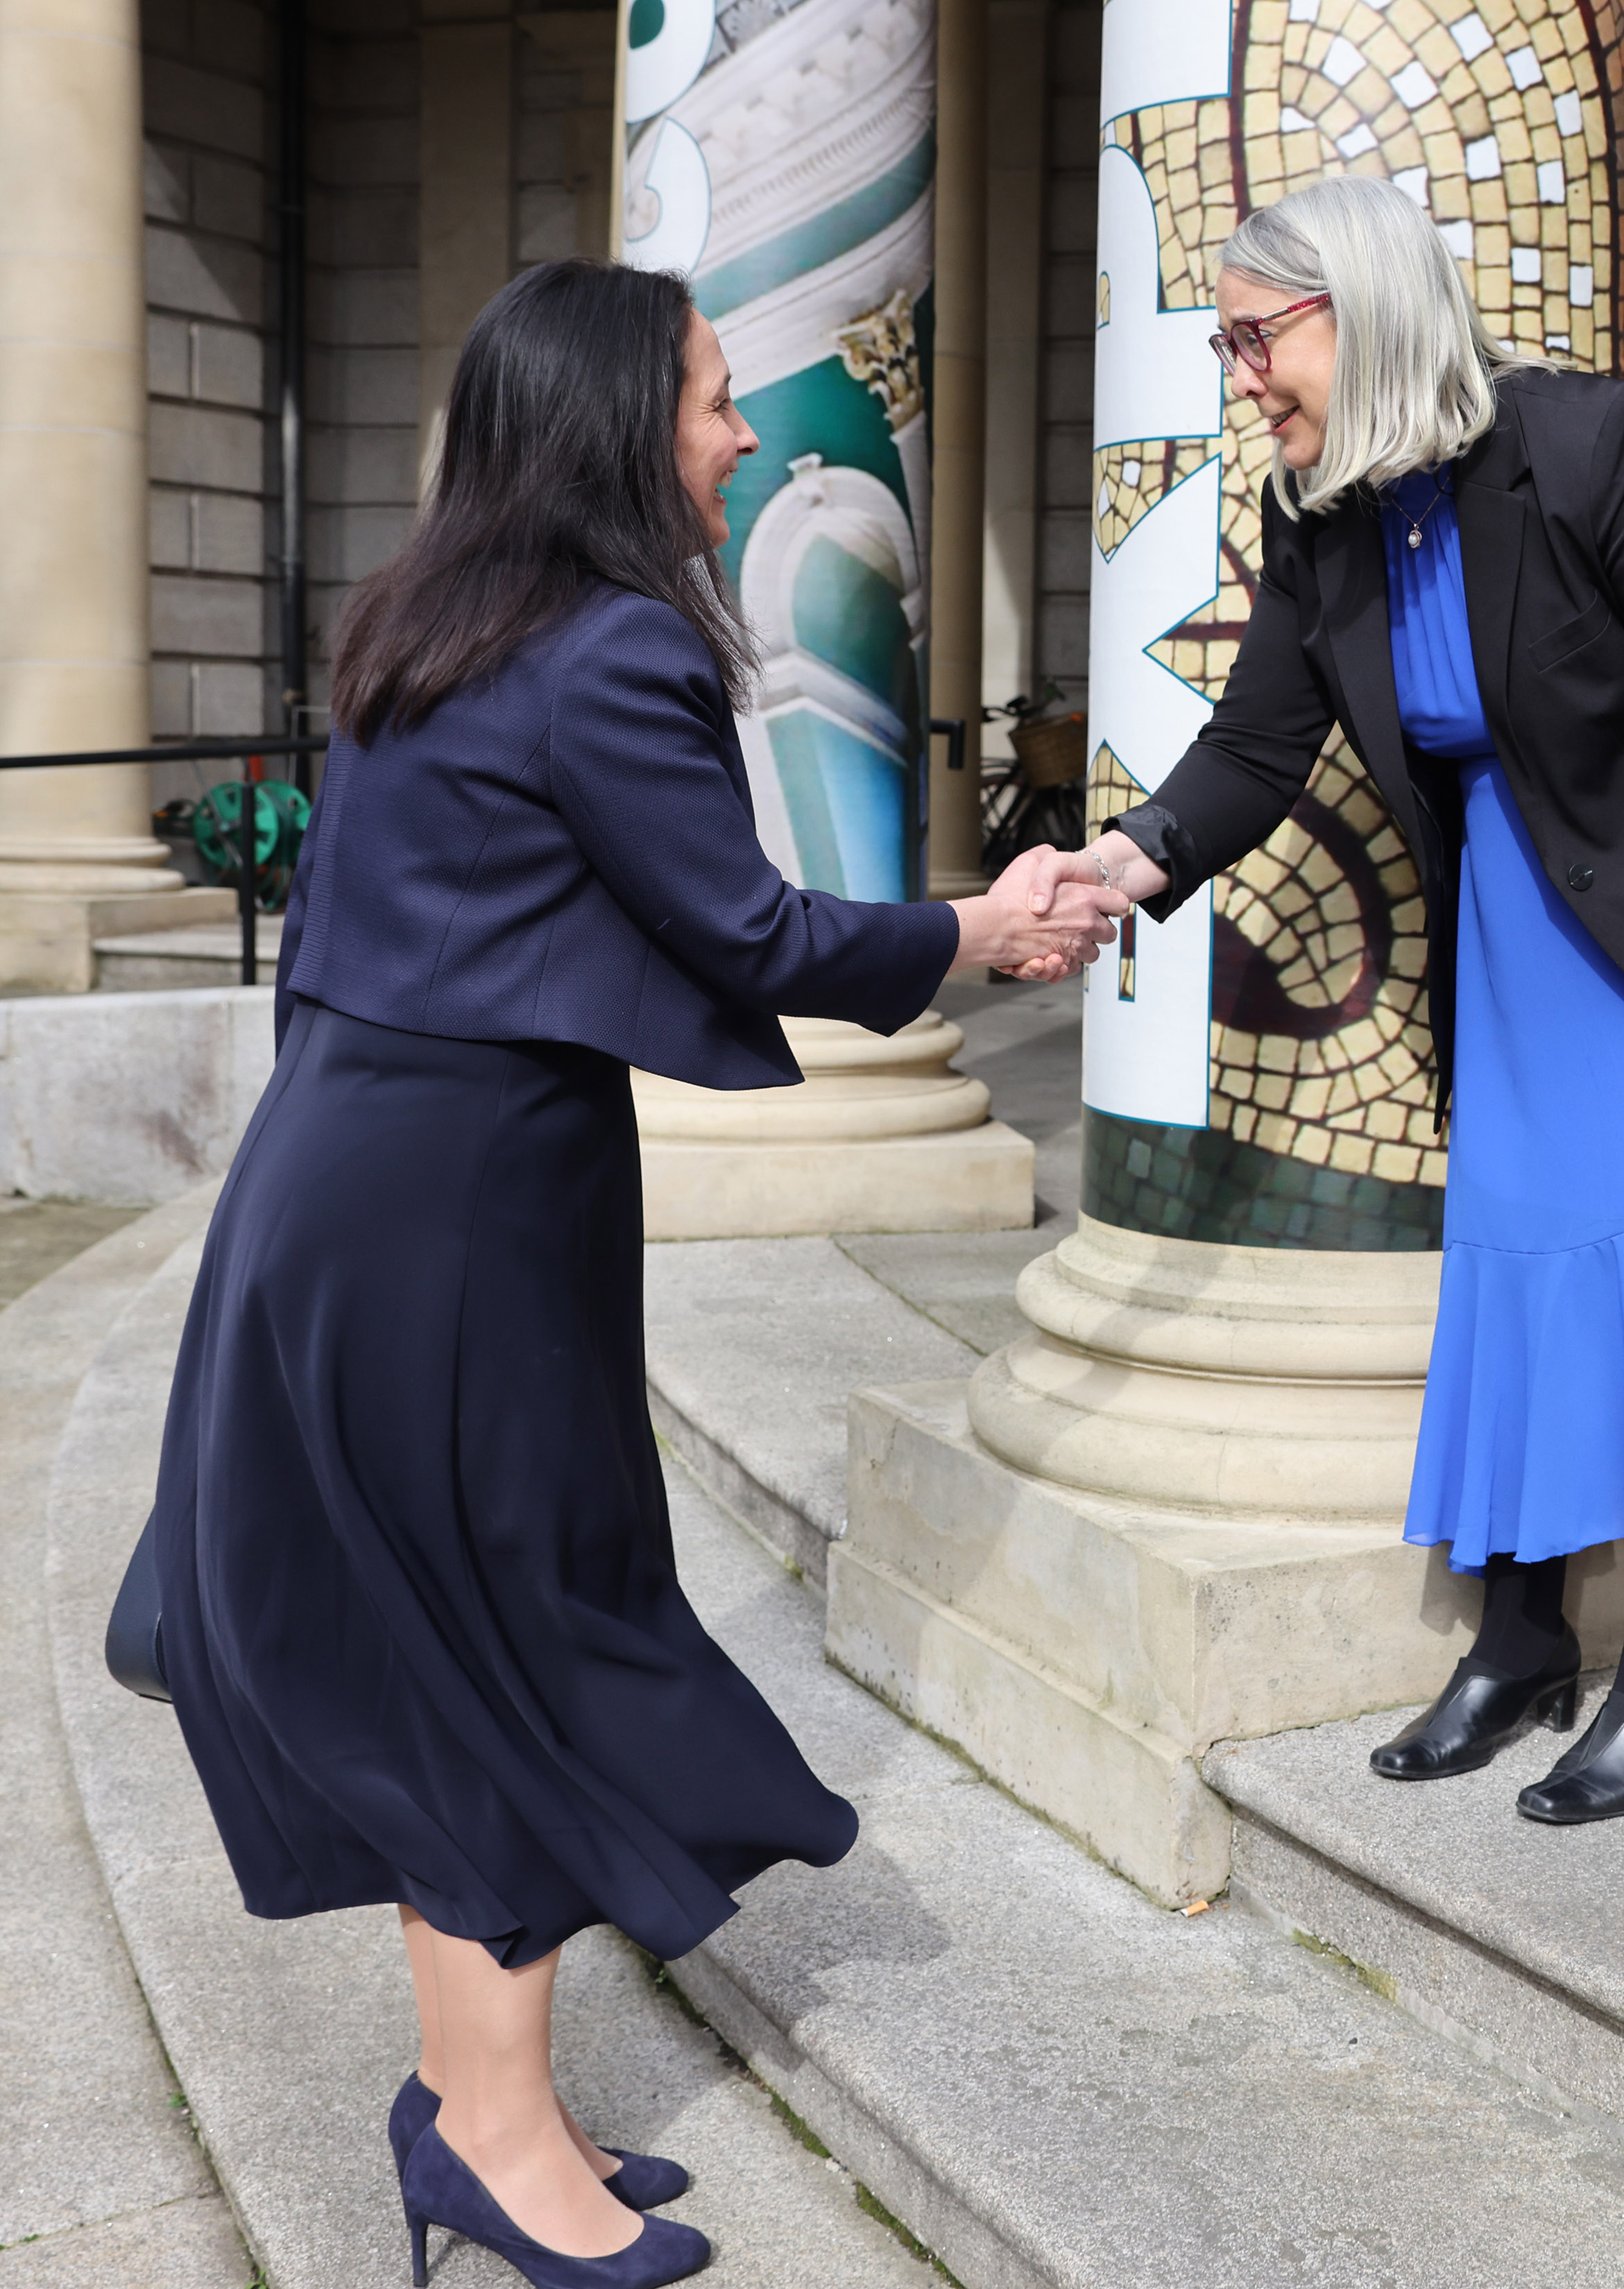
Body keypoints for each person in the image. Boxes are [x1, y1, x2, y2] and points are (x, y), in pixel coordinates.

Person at [151, 257, 1122, 2289]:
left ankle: (473, 2097)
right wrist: (978, 930)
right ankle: (487, 2139)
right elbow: (752, 934)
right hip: (449, 1214)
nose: (742, 430)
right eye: (708, 395)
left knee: (470, 1611)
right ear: (612, 422)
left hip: (365, 1174)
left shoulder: (427, 628)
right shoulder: (608, 654)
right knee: (497, 1630)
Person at [1033, 177, 1624, 1826]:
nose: (1241, 375)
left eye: (1258, 337)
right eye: (1228, 343)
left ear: (1367, 310)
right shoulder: (1314, 512)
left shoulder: (1601, 449)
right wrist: (1122, 862)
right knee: (1524, 1276)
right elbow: (1261, 743)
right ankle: (1518, 1638)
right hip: (1516, 935)